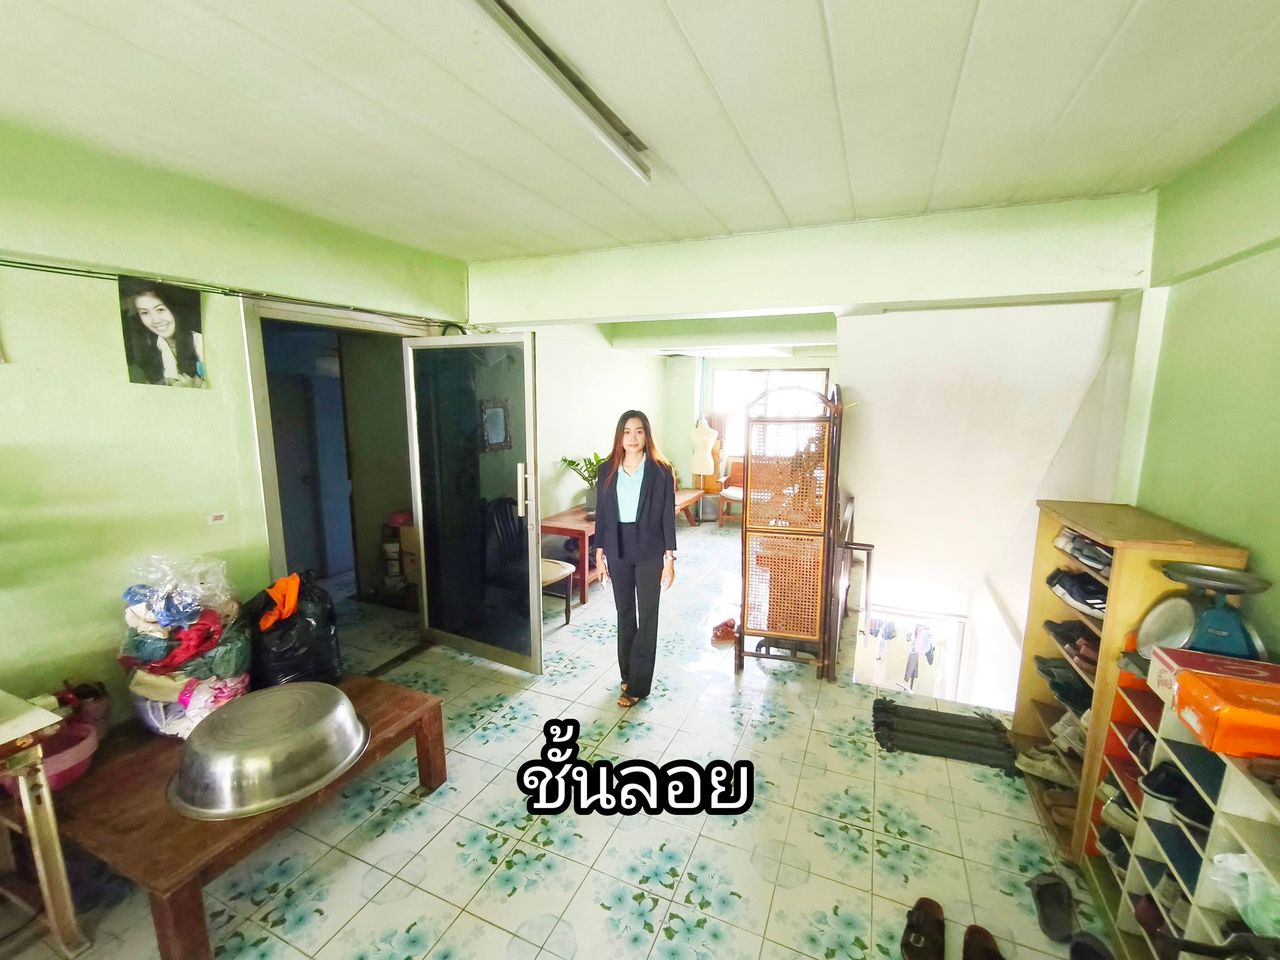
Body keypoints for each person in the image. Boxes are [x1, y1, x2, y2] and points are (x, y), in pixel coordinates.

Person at [594, 410, 677, 708]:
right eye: (627, 431)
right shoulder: (607, 470)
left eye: (639, 431)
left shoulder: (661, 471)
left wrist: (670, 559)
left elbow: (667, 516)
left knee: (648, 614)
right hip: (617, 547)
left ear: (646, 435)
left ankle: (639, 686)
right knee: (625, 612)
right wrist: (599, 553)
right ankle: (627, 674)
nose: (633, 437)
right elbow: (602, 513)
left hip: (650, 550)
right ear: (620, 436)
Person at [119, 279, 206, 387]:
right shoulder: (151, 349)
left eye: (160, 309)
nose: (155, 320)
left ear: (174, 307)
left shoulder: (201, 342)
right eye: (144, 312)